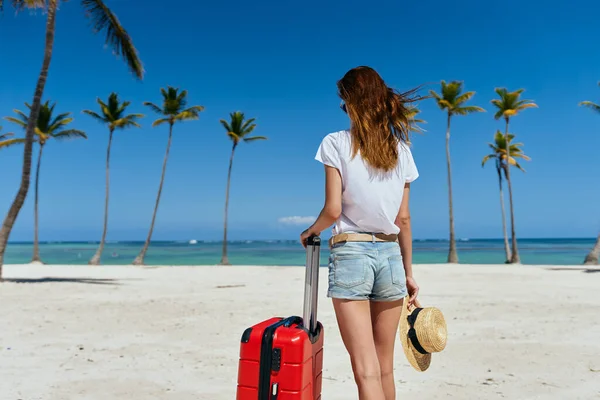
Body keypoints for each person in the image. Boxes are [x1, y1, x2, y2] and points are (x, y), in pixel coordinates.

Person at [301, 66, 421, 400]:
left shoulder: (336, 143)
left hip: (352, 254)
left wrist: (310, 231)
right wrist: (408, 273)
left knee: (365, 371)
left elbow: (333, 210)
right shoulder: (402, 151)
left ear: (350, 102)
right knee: (385, 369)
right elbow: (404, 219)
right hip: (391, 257)